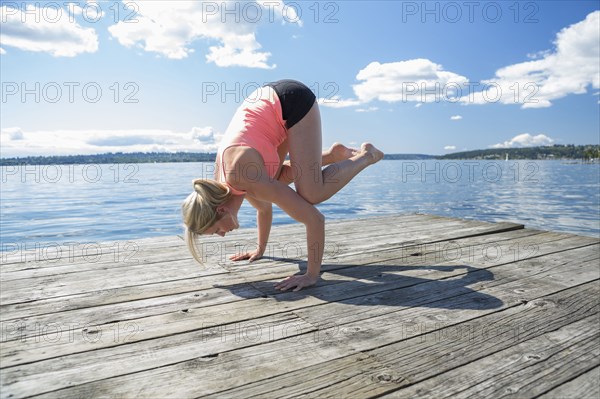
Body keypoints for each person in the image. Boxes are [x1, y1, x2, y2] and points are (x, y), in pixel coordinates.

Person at [182, 79, 383, 291]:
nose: (221, 235)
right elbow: (263, 208)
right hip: (269, 100)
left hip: (292, 102)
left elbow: (315, 220)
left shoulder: (243, 177)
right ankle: (333, 155)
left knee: (312, 194)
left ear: (221, 209)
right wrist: (259, 250)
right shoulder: (226, 184)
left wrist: (311, 275)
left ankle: (367, 156)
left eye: (215, 231)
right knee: (274, 179)